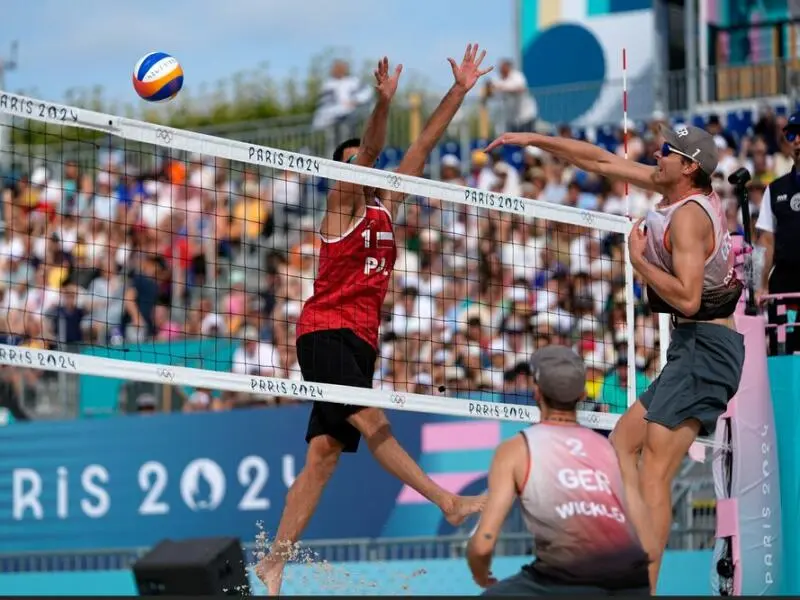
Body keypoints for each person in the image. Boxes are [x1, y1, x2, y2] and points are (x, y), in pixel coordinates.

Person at [256, 46, 494, 596]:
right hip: (324, 333)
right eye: (352, 161)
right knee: (372, 419)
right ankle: (446, 500)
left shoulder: (386, 206)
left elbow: (425, 143)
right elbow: (370, 148)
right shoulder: (341, 204)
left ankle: (274, 562)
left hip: (362, 339)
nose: (360, 165)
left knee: (323, 457)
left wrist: (459, 89)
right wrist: (382, 104)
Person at [485, 124, 746, 592]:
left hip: (707, 349)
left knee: (655, 475)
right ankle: (631, 557)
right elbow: (600, 161)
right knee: (623, 443)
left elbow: (688, 300)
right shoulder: (674, 192)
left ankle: (643, 585)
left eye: (669, 152)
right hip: (690, 348)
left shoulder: (689, 217)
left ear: (690, 167)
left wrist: (639, 262)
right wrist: (532, 139)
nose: (658, 155)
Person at [466, 345, 650, 596]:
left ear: (536, 392)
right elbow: (641, 527)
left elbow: (482, 545)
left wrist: (480, 573)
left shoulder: (517, 449)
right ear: (584, 394)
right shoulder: (610, 450)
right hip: (633, 583)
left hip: (567, 580)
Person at [756, 111, 800, 356]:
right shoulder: (775, 190)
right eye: (792, 134)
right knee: (782, 352)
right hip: (786, 284)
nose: (797, 140)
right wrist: (760, 285)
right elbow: (765, 241)